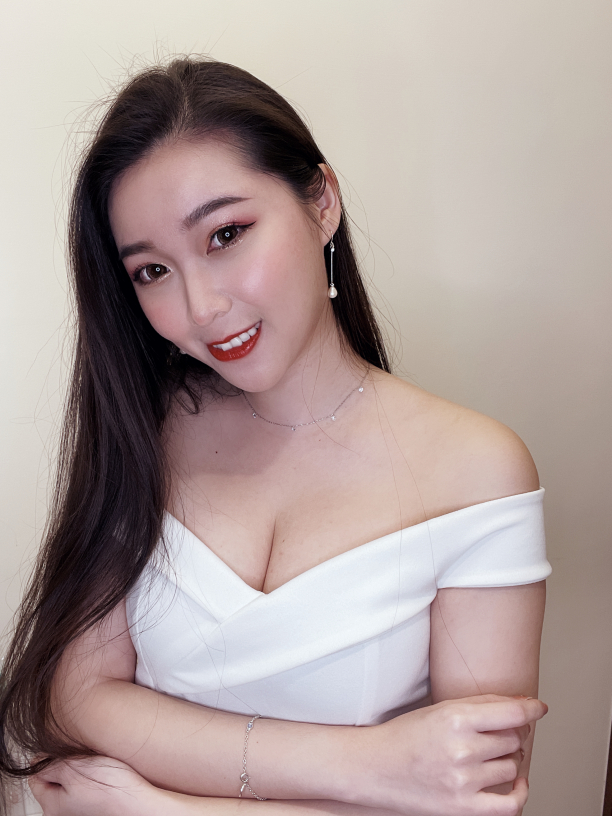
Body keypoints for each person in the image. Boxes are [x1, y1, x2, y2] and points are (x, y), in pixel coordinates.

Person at [0, 58, 550, 816]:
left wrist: (167, 810)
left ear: (321, 202)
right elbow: (76, 698)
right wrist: (370, 766)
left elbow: (476, 797)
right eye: (152, 271)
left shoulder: (475, 471)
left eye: (226, 234)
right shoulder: (147, 428)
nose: (201, 306)